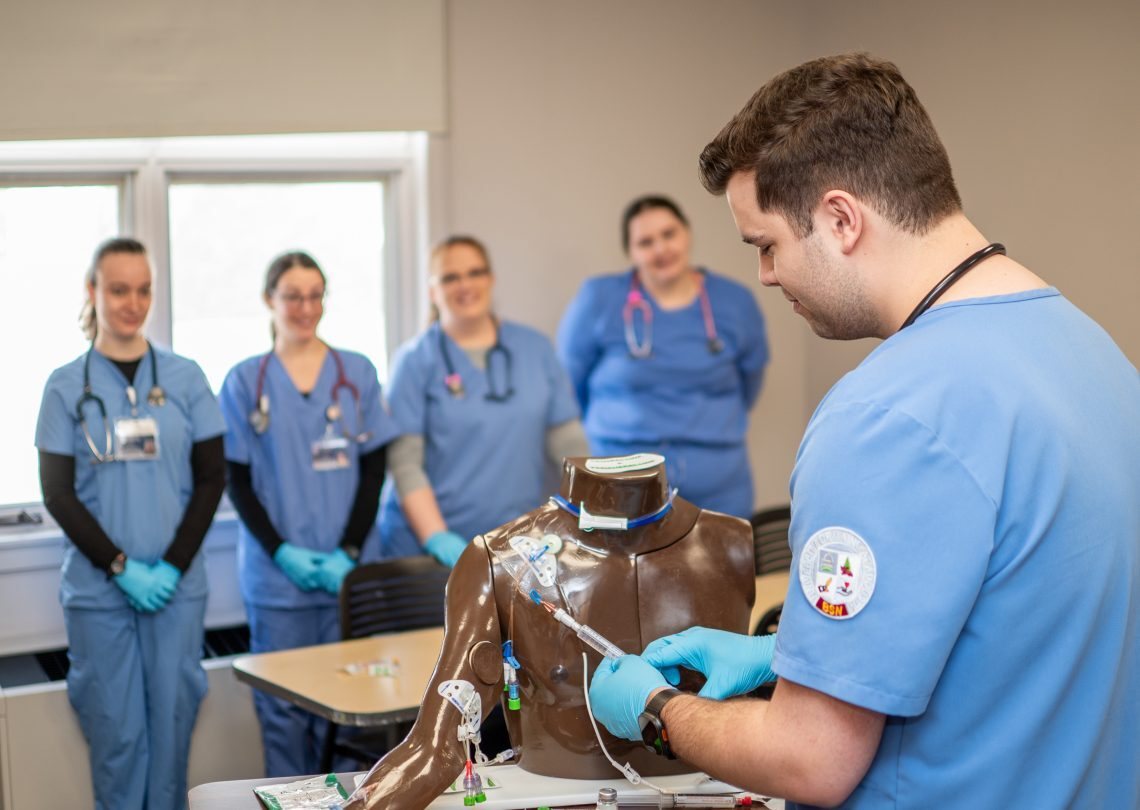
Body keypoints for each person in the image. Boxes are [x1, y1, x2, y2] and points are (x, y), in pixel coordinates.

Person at [588, 52, 1140, 808]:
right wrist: (790, 657)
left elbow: (809, 760)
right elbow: (1014, 627)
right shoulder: (1095, 353)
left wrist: (658, 712)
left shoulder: (884, 417)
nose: (765, 277)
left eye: (766, 244)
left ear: (842, 219)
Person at [346, 455, 759, 809]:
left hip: (719, 794)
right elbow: (434, 746)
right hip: (560, 796)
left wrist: (768, 659)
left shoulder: (731, 543)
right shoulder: (498, 562)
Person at [35, 237, 227, 810]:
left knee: (171, 735)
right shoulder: (66, 385)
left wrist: (169, 566)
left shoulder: (186, 378)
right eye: (118, 289)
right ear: (92, 291)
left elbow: (212, 478)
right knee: (116, 738)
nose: (132, 302)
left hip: (176, 589)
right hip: (100, 593)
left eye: (143, 289)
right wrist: (120, 568)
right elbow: (59, 494)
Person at [217, 251, 401, 777]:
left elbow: (373, 471)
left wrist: (347, 552)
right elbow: (237, 481)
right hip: (279, 581)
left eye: (315, 295)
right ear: (268, 301)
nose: (305, 307)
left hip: (347, 577)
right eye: (292, 296)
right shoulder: (244, 381)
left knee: (345, 711)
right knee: (282, 714)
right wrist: (281, 551)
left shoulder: (355, 373)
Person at [377, 235, 589, 565]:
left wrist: (595, 510)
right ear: (433, 291)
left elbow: (569, 443)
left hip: (516, 543)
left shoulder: (534, 348)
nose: (465, 285)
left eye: (475, 272)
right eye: (450, 277)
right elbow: (405, 464)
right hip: (431, 549)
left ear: (491, 279)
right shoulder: (415, 361)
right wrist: (436, 537)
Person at [556, 195, 769, 519]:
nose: (660, 249)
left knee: (721, 567)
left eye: (669, 234)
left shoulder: (735, 301)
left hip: (719, 484)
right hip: (622, 484)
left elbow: (750, 379)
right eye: (645, 242)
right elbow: (570, 382)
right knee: (624, 570)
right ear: (631, 252)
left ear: (687, 233)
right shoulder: (598, 299)